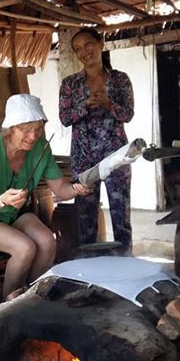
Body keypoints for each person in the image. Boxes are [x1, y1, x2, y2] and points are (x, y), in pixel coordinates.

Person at [0, 94, 92, 299]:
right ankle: (9, 306)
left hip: (12, 210)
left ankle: (33, 297)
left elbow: (60, 189)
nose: (33, 136)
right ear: (11, 128)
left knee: (48, 242)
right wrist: (2, 200)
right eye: (26, 129)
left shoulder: (40, 148)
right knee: (24, 248)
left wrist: (77, 188)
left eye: (38, 129)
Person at [59, 28, 135, 255]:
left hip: (117, 156)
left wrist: (108, 104)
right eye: (78, 49)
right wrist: (86, 105)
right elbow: (64, 119)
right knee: (85, 216)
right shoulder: (70, 84)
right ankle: (90, 267)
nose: (84, 52)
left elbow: (128, 115)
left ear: (100, 43)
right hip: (84, 158)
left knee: (121, 216)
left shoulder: (120, 80)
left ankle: (125, 263)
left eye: (88, 44)